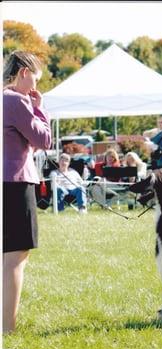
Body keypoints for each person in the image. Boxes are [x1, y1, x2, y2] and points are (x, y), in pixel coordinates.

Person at [3, 50, 52, 333]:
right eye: (34, 78)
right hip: (15, 182)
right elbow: (43, 139)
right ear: (23, 72)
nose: (35, 86)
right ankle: (7, 328)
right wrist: (39, 108)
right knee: (14, 257)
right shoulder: (16, 100)